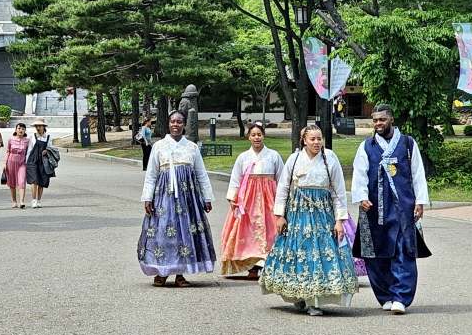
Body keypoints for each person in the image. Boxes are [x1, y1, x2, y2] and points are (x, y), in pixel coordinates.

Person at [260, 125, 358, 315]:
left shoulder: (330, 158)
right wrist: (280, 216)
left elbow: (338, 191)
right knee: (299, 252)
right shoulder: (294, 159)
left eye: (319, 139)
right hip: (298, 213)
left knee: (320, 253)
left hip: (322, 213)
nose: (316, 142)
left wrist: (339, 220)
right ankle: (299, 294)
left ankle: (315, 301)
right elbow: (283, 188)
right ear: (304, 140)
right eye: (312, 139)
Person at [351, 104, 429, 314]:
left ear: (392, 119)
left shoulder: (407, 143)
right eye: (375, 120)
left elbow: (417, 173)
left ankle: (401, 297)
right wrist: (361, 197)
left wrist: (419, 201)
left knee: (404, 251)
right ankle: (385, 296)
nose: (378, 123)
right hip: (374, 209)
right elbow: (359, 174)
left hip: (403, 207)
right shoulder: (367, 146)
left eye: (382, 119)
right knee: (375, 254)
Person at [138, 110, 215, 286]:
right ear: (168, 124)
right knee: (164, 233)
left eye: (179, 122)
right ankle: (162, 272)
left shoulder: (192, 147)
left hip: (188, 198)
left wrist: (207, 197)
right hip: (164, 197)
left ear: (184, 124)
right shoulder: (159, 146)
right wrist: (148, 198)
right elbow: (151, 174)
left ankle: (180, 273)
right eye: (173, 121)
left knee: (185, 234)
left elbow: (201, 174)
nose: (175, 125)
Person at [219, 121, 284, 278]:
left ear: (264, 136)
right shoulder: (243, 157)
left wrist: (282, 199)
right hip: (248, 198)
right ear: (249, 137)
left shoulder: (273, 155)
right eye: (253, 135)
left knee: (270, 230)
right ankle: (252, 266)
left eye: (259, 135)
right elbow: (236, 178)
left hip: (269, 197)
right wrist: (232, 198)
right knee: (248, 230)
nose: (257, 138)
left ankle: (269, 264)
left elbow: (281, 178)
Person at [26, 120, 52, 207]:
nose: (38, 128)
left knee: (42, 180)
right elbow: (29, 149)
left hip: (44, 161)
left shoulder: (48, 137)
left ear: (44, 127)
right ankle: (34, 200)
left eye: (40, 126)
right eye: (36, 126)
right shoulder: (32, 136)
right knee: (34, 180)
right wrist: (27, 162)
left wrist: (47, 151)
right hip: (33, 160)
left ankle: (39, 200)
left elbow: (50, 149)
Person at [5, 122, 29, 208]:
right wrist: (5, 163)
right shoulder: (11, 139)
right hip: (11, 161)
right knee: (12, 182)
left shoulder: (27, 141)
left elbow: (28, 152)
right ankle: (14, 201)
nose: (21, 130)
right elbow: (8, 151)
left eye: (23, 129)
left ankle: (22, 201)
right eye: (19, 128)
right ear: (16, 129)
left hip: (22, 162)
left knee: (22, 180)